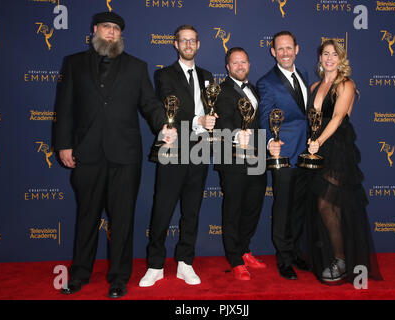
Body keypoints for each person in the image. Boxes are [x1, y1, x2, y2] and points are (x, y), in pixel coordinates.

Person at [54, 12, 168, 298]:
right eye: (106, 27)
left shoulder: (136, 67)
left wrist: (164, 125)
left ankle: (119, 278)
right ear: (95, 29)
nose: (111, 32)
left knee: (122, 220)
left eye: (116, 28)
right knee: (86, 217)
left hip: (124, 156)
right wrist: (63, 145)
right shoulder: (74, 63)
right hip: (87, 153)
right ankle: (79, 275)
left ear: (121, 35)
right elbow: (64, 107)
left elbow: (150, 104)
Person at [139, 25, 214, 287]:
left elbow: (213, 110)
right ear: (175, 44)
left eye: (193, 40)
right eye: (184, 41)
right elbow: (172, 107)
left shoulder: (207, 77)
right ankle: (155, 264)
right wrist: (199, 119)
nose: (188, 45)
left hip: (200, 149)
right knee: (163, 208)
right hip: (173, 148)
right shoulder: (164, 75)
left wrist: (212, 121)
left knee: (191, 210)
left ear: (198, 44)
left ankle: (185, 263)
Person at [305, 39, 382, 284]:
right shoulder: (314, 86)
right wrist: (311, 143)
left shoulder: (346, 84)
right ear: (320, 58)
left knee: (327, 205)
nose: (329, 58)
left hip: (337, 150)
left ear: (341, 59)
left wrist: (318, 141)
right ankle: (335, 257)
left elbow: (337, 117)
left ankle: (341, 259)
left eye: (334, 54)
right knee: (329, 207)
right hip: (317, 152)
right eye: (325, 53)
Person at [257, 31, 310, 280]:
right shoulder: (267, 82)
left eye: (289, 47)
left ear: (296, 49)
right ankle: (283, 258)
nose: (285, 52)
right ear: (273, 52)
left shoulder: (304, 75)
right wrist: (270, 141)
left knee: (300, 207)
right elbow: (265, 115)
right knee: (283, 207)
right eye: (280, 49)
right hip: (284, 153)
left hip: (306, 154)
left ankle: (296, 251)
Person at [214, 47, 267, 281]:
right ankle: (235, 259)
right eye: (235, 63)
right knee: (233, 210)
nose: (240, 66)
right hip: (232, 159)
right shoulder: (219, 92)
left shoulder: (255, 90)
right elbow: (218, 123)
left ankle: (245, 250)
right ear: (227, 67)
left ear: (249, 64)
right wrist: (236, 135)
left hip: (257, 159)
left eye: (243, 62)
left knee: (252, 208)